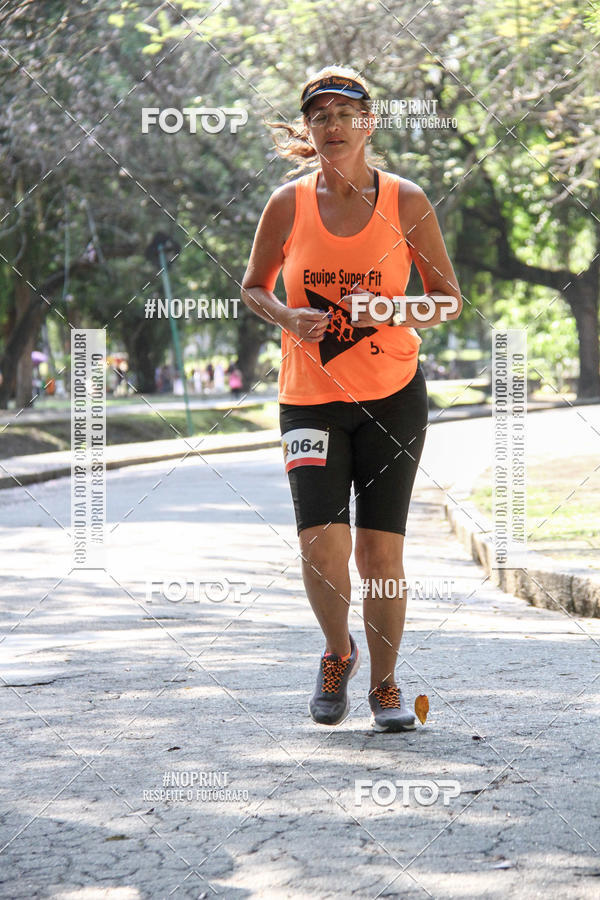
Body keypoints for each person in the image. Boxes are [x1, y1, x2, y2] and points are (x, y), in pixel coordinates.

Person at [241, 65, 461, 732]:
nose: (332, 124)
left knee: (379, 554)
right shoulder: (287, 203)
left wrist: (392, 308)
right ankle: (338, 653)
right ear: (309, 128)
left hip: (393, 397)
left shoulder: (407, 201)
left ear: (369, 123)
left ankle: (387, 686)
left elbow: (448, 300)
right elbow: (254, 286)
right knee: (320, 545)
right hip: (308, 399)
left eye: (345, 112)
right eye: (320, 115)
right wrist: (285, 316)